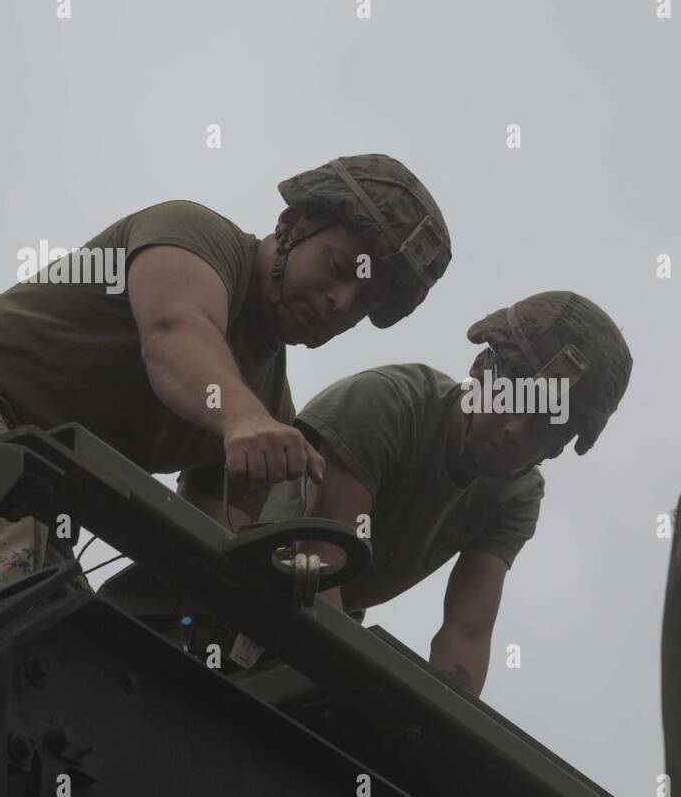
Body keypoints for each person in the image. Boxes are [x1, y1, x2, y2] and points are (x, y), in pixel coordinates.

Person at [0, 154, 451, 636]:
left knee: (63, 640)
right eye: (341, 267)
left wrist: (269, 580)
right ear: (292, 223)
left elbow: (209, 533)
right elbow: (175, 332)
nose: (340, 302)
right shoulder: (198, 237)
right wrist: (241, 419)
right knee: (2, 593)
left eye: (365, 302)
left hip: (28, 493)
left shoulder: (273, 408)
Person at [255, 291, 633, 697]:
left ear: (559, 444)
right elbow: (322, 566)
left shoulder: (516, 495)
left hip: (320, 634)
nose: (514, 430)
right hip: (245, 587)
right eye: (511, 396)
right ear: (482, 366)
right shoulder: (389, 404)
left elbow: (465, 637)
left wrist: (438, 737)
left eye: (544, 424)